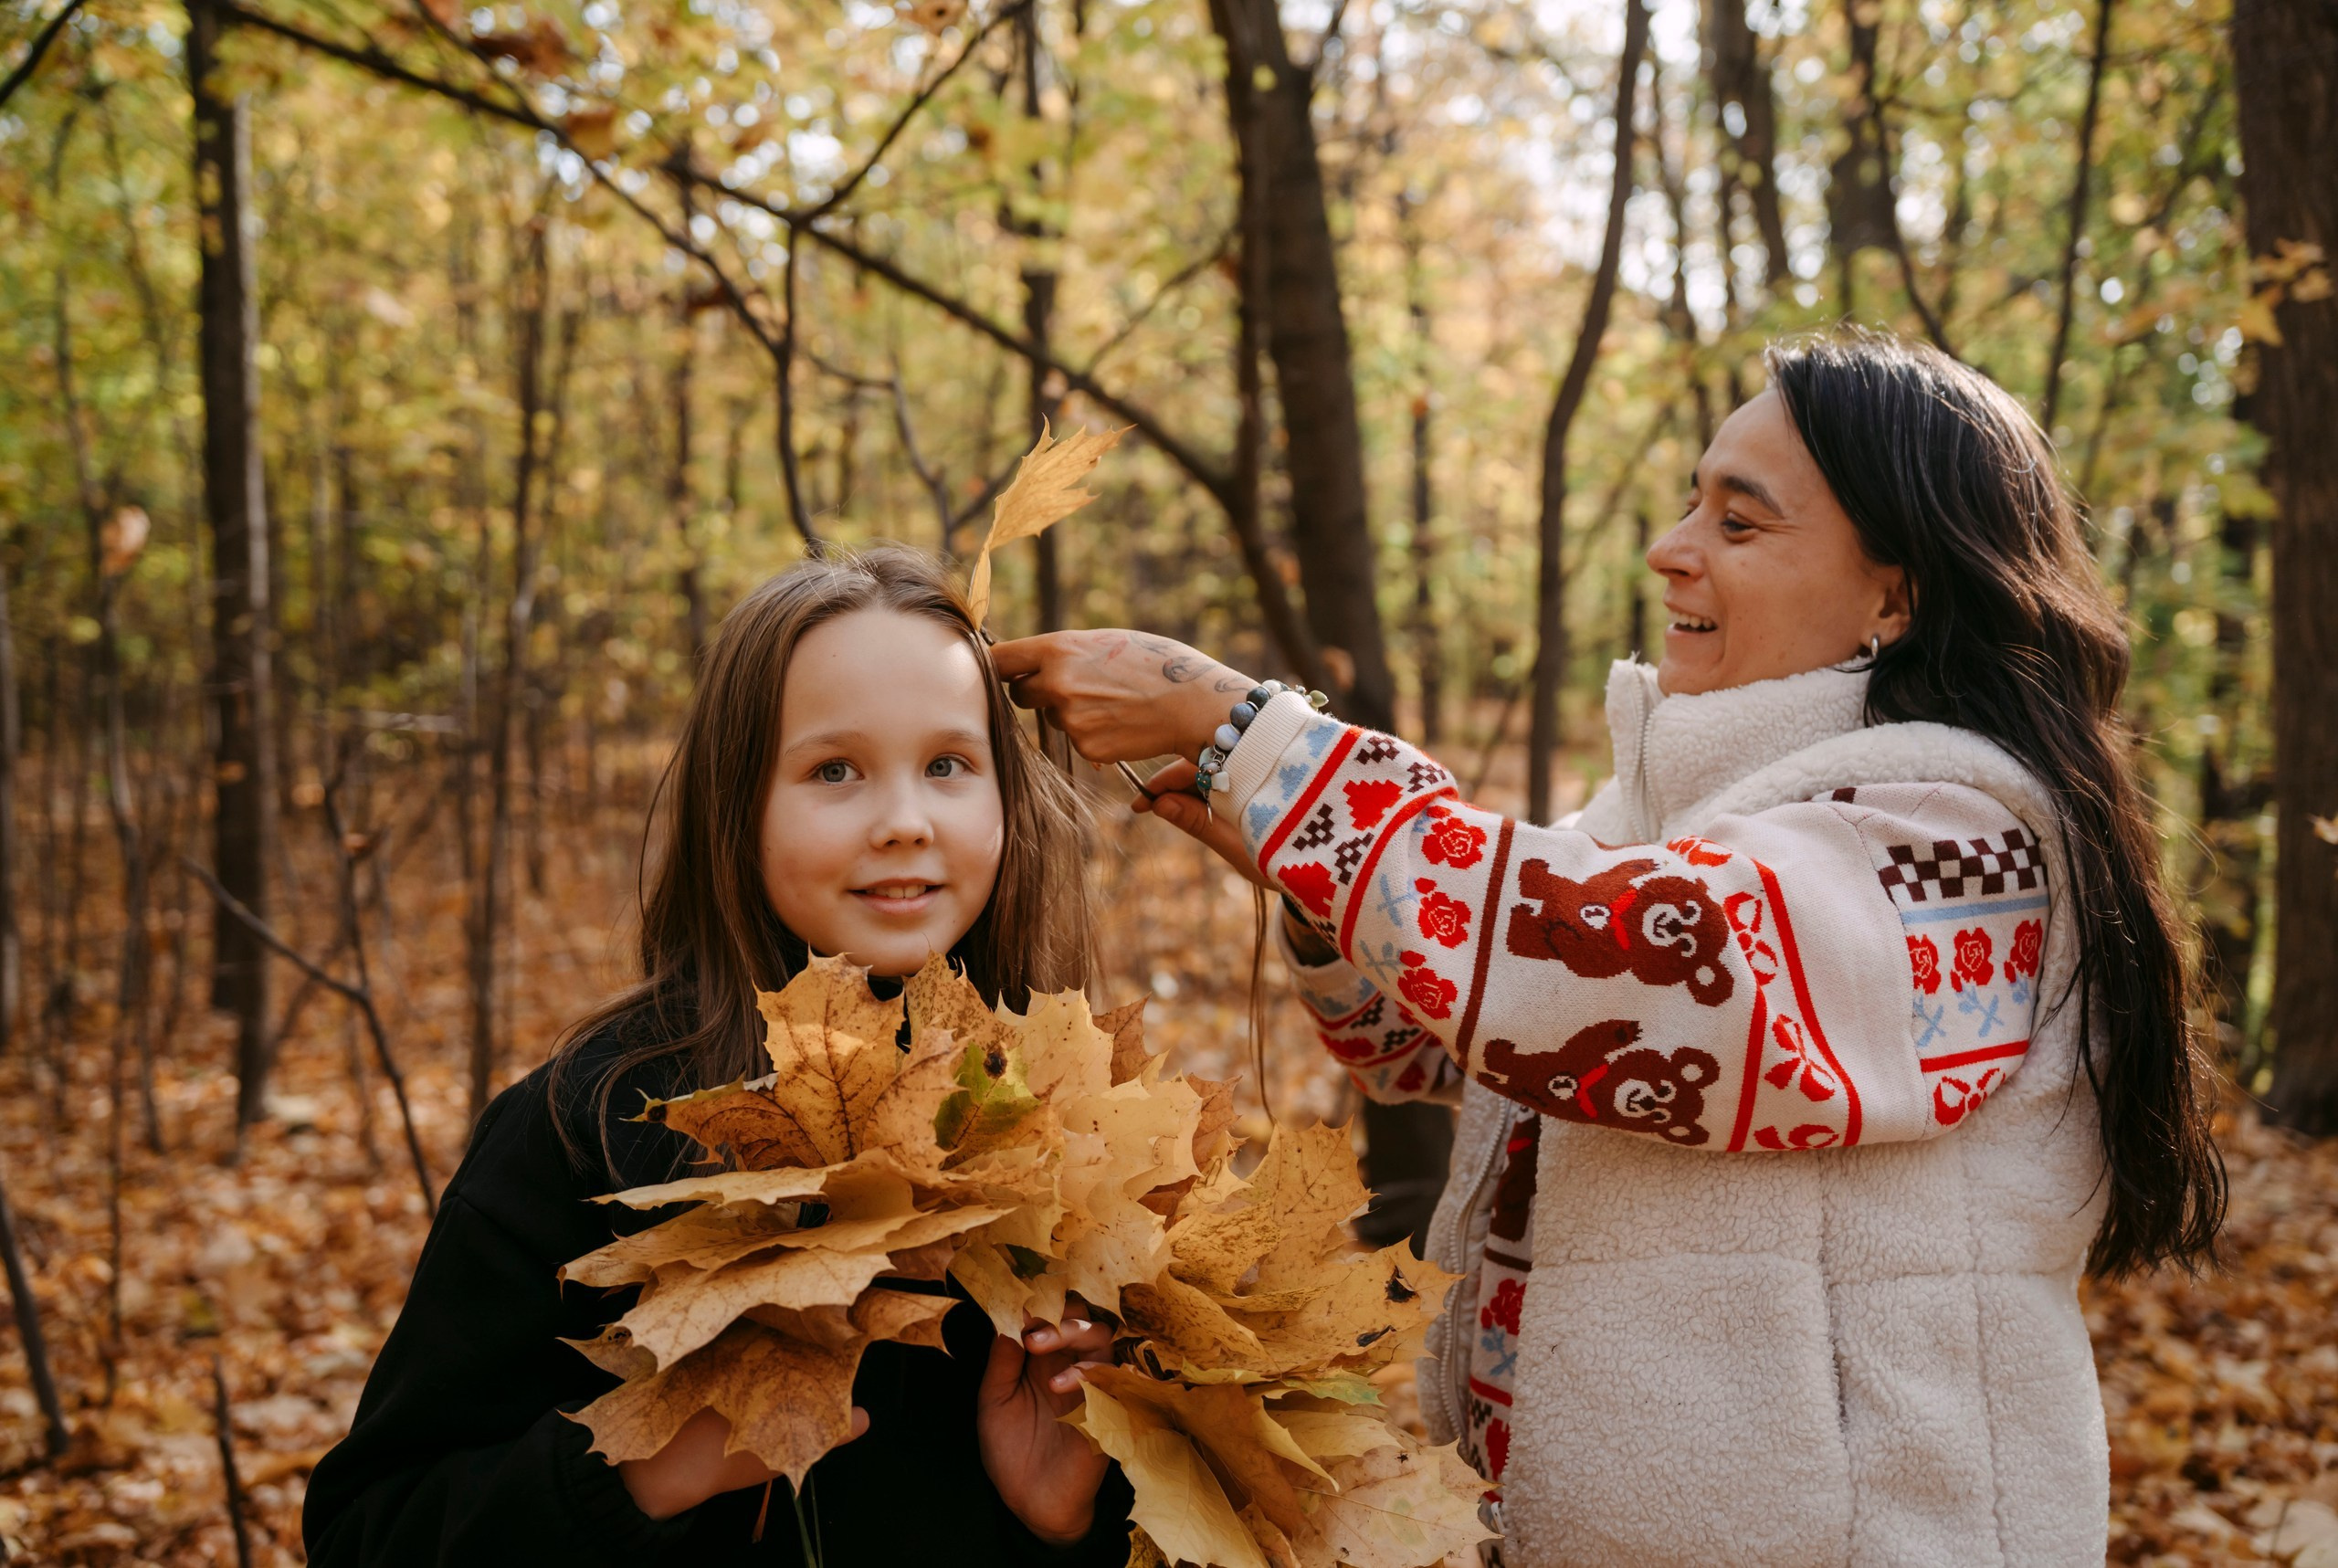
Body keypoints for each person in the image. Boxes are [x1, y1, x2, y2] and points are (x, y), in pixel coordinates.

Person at [992, 331, 2226, 1568]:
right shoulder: (1663, 827)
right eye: (1691, 503)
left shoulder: (1958, 848)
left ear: (1893, 596)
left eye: (1738, 522)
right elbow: (1449, 1049)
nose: (1671, 547)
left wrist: (1254, 738)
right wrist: (1315, 884)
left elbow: (1641, 977)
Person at [304, 548, 1133, 1567]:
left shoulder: (1071, 1130)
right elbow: (367, 1533)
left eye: (948, 765)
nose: (904, 823)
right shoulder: (595, 1130)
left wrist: (1061, 1526)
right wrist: (652, 1467)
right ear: (736, 807)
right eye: (834, 770)